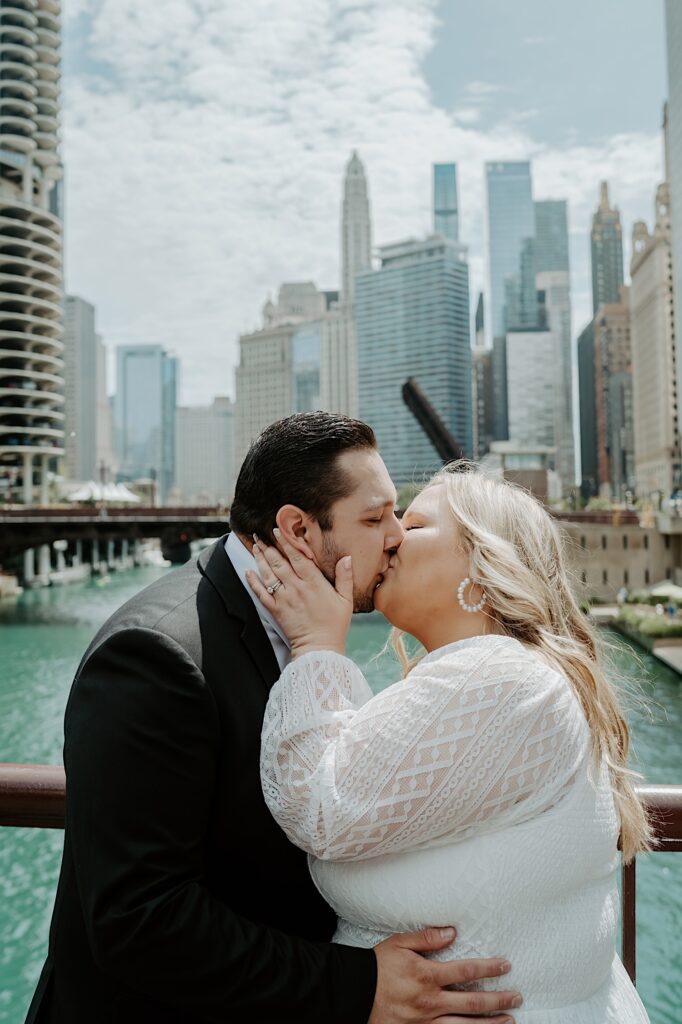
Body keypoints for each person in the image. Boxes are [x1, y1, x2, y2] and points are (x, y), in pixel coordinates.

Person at [26, 414, 521, 1024]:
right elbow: (141, 919)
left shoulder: (316, 634)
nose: (396, 536)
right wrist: (359, 985)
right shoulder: (156, 656)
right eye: (374, 518)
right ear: (297, 529)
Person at [249, 462, 653, 1023]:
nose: (390, 538)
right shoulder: (507, 679)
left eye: (413, 527)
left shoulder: (500, 680)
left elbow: (320, 807)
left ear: (484, 563)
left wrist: (316, 646)